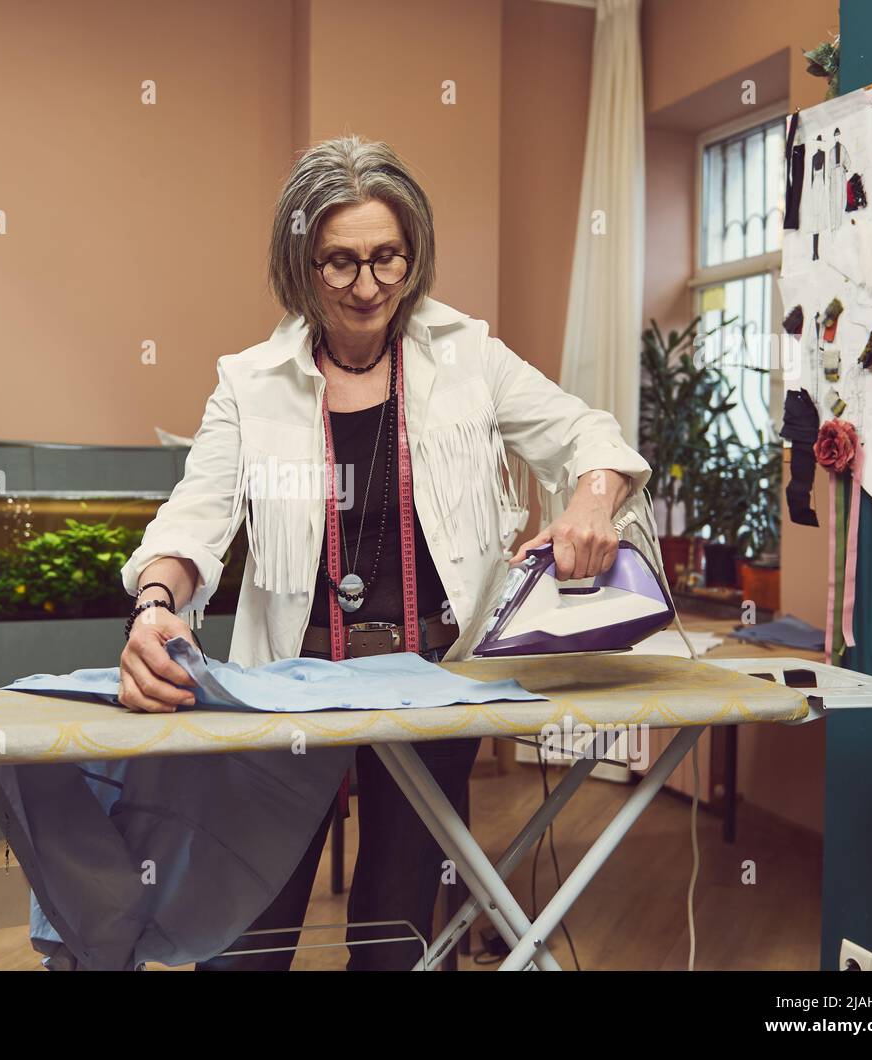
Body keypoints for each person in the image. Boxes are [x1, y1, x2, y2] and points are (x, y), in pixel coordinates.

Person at [117, 135, 650, 970]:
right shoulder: (250, 382)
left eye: (387, 259)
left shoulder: (468, 357)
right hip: (288, 700)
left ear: (414, 255)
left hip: (433, 695)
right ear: (302, 264)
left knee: (396, 940)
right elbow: (195, 518)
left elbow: (592, 436)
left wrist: (589, 500)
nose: (366, 288)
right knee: (248, 940)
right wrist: (154, 603)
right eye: (338, 263)